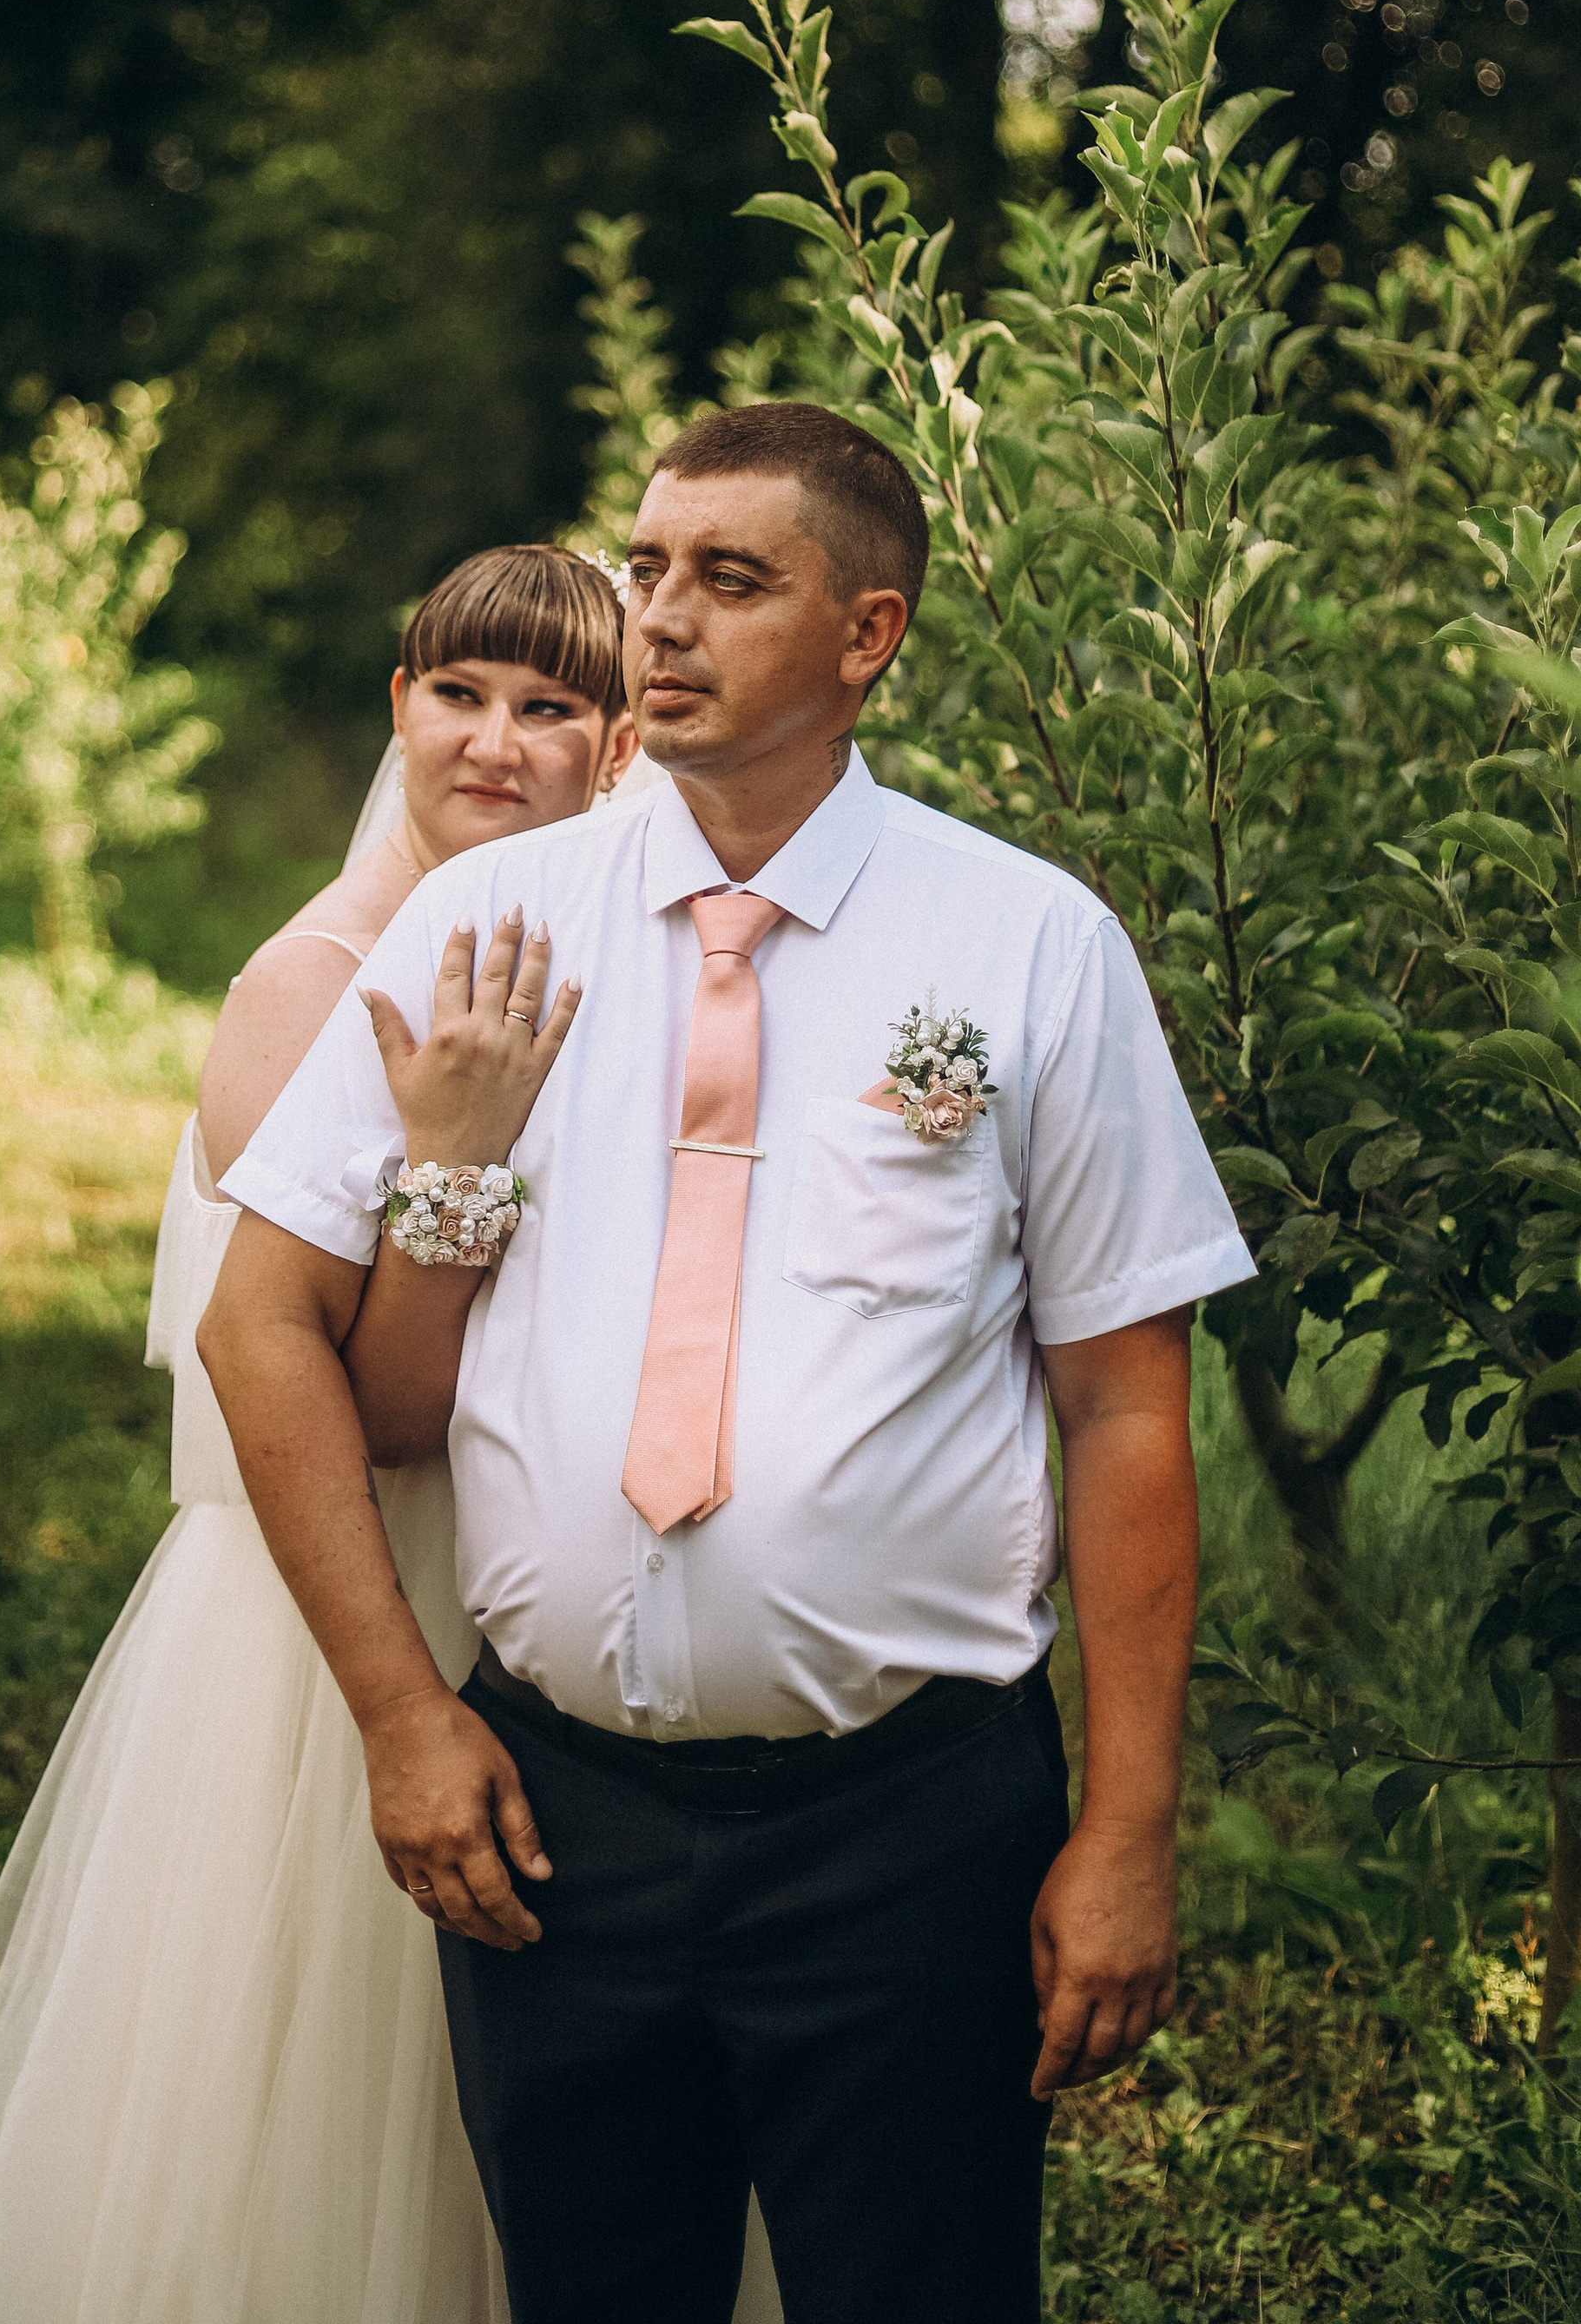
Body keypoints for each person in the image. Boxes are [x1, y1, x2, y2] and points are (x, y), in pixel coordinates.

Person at [208, 403, 1255, 2324]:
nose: (657, 622)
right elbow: (257, 1324)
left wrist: (1122, 1827)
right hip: (551, 1820)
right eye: (649, 567)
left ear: (865, 635)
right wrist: (395, 1714)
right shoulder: (485, 923)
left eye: (728, 579)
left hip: (913, 1823)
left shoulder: (1030, 944)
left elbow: (1121, 1406)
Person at [0, 544, 675, 2324]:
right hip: (332, 1600)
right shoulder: (310, 988)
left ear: (615, 749)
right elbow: (329, 1381)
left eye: (547, 708)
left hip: (530, 1564)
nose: (494, 741)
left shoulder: (579, 963)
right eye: (458, 695)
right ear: (399, 707)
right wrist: (458, 1159)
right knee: (326, 2096)